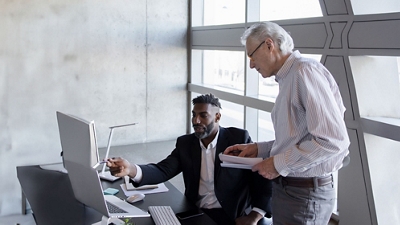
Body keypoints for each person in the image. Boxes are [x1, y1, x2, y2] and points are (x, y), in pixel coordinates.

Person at [224, 22, 350, 225]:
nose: (251, 64)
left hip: (304, 194)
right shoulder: (289, 77)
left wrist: (277, 164)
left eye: (251, 56)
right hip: (291, 190)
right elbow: (298, 137)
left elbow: (333, 141)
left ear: (268, 44)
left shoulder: (304, 72)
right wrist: (260, 148)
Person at [106, 93, 272, 225]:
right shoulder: (186, 143)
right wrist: (131, 169)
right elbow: (163, 170)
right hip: (196, 212)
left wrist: (255, 216)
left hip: (232, 215)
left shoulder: (238, 138)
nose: (196, 121)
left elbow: (261, 181)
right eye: (194, 115)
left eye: (203, 115)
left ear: (217, 117)